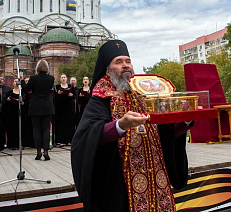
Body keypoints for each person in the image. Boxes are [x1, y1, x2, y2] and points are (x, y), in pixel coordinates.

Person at [71, 40, 192, 212]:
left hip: (155, 176)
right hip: (120, 181)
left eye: (128, 61)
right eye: (118, 62)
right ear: (107, 70)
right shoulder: (100, 98)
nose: (125, 65)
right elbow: (89, 136)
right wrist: (120, 125)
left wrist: (186, 119)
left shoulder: (144, 94)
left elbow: (164, 131)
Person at [22, 60, 55, 160]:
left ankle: (38, 152)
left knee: (36, 129)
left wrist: (22, 82)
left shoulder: (33, 78)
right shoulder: (51, 78)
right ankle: (46, 151)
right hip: (47, 106)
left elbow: (26, 90)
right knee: (46, 129)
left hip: (35, 106)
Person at [55, 74, 76, 146]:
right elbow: (54, 97)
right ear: (60, 79)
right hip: (60, 108)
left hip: (69, 108)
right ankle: (61, 141)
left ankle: (69, 140)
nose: (63, 79)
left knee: (69, 124)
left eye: (64, 77)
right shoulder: (57, 87)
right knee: (61, 124)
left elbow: (75, 96)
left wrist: (72, 95)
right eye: (62, 77)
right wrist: (58, 93)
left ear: (66, 78)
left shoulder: (70, 87)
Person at [5, 78, 24, 150]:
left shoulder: (22, 92)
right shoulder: (9, 92)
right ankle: (11, 144)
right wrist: (8, 100)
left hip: (20, 113)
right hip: (11, 113)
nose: (16, 83)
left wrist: (23, 103)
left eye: (18, 82)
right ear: (13, 83)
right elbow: (5, 103)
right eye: (15, 81)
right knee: (11, 129)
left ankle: (20, 144)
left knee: (20, 128)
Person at [22, 77, 35, 148]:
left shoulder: (33, 90)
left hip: (33, 109)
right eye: (26, 81)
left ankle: (32, 143)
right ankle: (25, 143)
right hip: (25, 110)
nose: (27, 82)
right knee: (25, 126)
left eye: (28, 81)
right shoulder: (23, 90)